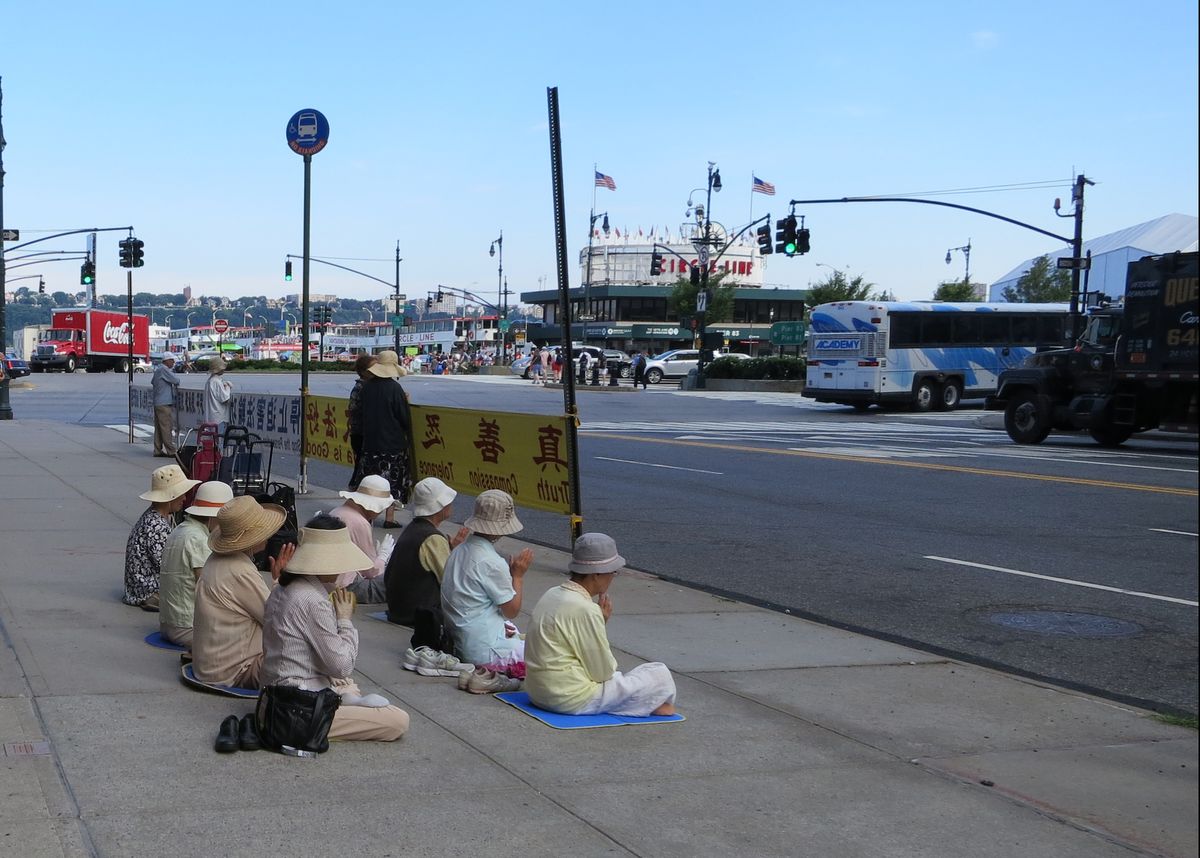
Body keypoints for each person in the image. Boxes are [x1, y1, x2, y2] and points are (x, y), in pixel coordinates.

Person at [260, 515, 410, 742]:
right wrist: (345, 620)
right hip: (295, 710)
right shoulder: (312, 600)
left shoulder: (283, 588)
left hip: (276, 697)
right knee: (398, 720)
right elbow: (342, 666)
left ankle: (344, 703)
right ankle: (339, 709)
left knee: (346, 687)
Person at [525, 533, 676, 717]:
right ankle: (644, 703)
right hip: (567, 698)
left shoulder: (552, 593)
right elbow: (602, 673)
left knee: (627, 681)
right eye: (612, 572)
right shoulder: (586, 609)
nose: (613, 577)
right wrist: (599, 623)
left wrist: (598, 622)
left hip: (537, 692)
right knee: (659, 673)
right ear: (596, 574)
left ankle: (639, 704)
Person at [192, 495, 289, 689]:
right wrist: (280, 582)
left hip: (210, 665)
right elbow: (275, 619)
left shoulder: (215, 559)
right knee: (302, 655)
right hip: (234, 671)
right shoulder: (240, 570)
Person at [441, 490, 533, 667]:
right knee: (548, 656)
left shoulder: (459, 550)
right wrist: (518, 576)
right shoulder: (492, 562)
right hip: (484, 650)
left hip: (461, 638)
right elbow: (512, 611)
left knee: (517, 633)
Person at [386, 478, 471, 658]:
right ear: (439, 507)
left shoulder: (414, 529)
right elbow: (451, 583)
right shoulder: (432, 538)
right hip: (417, 614)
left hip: (399, 609)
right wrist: (457, 554)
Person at [158, 481, 233, 646]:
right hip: (187, 628)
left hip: (169, 623)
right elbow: (208, 589)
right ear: (215, 516)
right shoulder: (199, 540)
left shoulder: (180, 529)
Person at [124, 464, 200, 611]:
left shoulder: (159, 517)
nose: (184, 498)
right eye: (181, 494)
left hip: (140, 584)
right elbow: (168, 565)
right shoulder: (155, 525)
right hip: (145, 589)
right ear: (170, 497)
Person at [358, 349, 412, 529]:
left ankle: (367, 516)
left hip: (371, 442)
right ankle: (389, 518)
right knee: (392, 481)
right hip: (392, 443)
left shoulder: (367, 388)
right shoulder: (395, 389)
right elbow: (404, 418)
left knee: (371, 479)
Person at [328, 474, 396, 604]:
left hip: (330, 581)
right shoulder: (359, 522)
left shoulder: (337, 511)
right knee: (395, 581)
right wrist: (382, 557)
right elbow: (371, 571)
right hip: (346, 586)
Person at [346, 353, 376, 491]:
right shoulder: (361, 388)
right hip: (361, 433)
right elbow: (357, 410)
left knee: (362, 464)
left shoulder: (366, 387)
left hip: (361, 432)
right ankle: (354, 489)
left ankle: (355, 488)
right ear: (364, 372)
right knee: (362, 465)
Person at [151, 354, 181, 457]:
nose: (173, 363)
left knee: (159, 428)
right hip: (164, 403)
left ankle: (157, 449)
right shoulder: (164, 370)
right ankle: (171, 450)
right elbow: (176, 381)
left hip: (158, 402)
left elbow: (152, 382)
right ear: (167, 361)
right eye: (172, 361)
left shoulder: (158, 370)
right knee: (166, 427)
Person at [203, 357, 233, 438]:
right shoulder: (216, 382)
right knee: (219, 441)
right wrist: (228, 387)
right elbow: (225, 398)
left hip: (210, 416)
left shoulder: (210, 381)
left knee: (212, 440)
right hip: (219, 417)